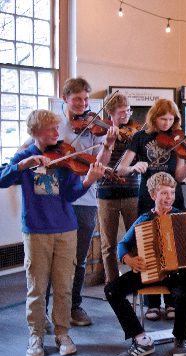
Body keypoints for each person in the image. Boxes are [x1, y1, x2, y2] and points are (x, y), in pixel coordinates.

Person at [1, 109, 106, 356]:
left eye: (58, 129)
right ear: (35, 132)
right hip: (36, 230)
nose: (57, 133)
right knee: (37, 287)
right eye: (51, 129)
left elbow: (70, 195)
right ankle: (36, 336)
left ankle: (62, 333)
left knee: (63, 286)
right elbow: (2, 179)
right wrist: (23, 165)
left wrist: (89, 181)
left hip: (66, 228)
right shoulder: (25, 157)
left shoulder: (64, 156)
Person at [18, 77, 118, 327]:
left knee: (78, 260)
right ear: (65, 98)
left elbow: (99, 163)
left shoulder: (94, 127)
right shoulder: (53, 124)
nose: (83, 104)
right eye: (77, 99)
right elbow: (24, 152)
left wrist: (107, 144)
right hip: (52, 200)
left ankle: (74, 306)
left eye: (86, 99)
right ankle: (45, 310)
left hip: (84, 198)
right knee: (46, 262)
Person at [104, 172, 186, 356]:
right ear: (153, 195)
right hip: (151, 270)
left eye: (172, 193)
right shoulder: (144, 218)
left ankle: (180, 339)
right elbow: (123, 244)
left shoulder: (185, 217)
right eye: (163, 193)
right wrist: (128, 259)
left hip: (180, 272)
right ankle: (141, 340)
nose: (169, 197)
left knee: (184, 294)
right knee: (112, 290)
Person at [116, 98, 186, 320]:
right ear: (153, 118)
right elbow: (121, 169)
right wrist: (135, 167)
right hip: (149, 199)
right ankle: (152, 303)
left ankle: (172, 301)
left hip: (174, 200)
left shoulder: (178, 139)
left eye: (171, 119)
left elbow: (179, 177)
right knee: (149, 248)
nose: (167, 123)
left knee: (173, 250)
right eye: (163, 119)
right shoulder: (140, 137)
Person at [98, 92, 141, 287]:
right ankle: (112, 285)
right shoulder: (101, 133)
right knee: (108, 244)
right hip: (107, 194)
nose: (127, 115)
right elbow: (98, 162)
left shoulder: (135, 133)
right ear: (110, 112)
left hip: (132, 191)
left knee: (136, 241)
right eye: (122, 112)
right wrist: (108, 143)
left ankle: (137, 283)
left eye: (128, 111)